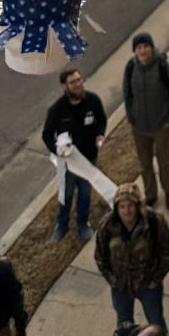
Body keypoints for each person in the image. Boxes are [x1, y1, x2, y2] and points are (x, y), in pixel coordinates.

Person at [95, 189, 169, 331]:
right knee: (124, 328)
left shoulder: (154, 221)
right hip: (121, 288)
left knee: (156, 324)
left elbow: (167, 251)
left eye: (130, 205)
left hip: (148, 287)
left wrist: (155, 279)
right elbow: (100, 256)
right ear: (117, 208)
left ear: (138, 206)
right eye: (122, 206)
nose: (127, 211)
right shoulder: (107, 226)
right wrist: (113, 280)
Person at [40, 66, 105, 241]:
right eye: (72, 82)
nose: (77, 84)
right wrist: (57, 151)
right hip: (68, 163)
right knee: (66, 194)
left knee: (85, 193)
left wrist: (100, 135)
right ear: (64, 86)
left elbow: (101, 121)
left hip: (88, 159)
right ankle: (62, 225)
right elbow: (46, 135)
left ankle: (83, 224)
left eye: (79, 80)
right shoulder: (57, 110)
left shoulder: (93, 101)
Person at [123, 32, 169, 212]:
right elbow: (127, 94)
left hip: (161, 126)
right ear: (135, 51)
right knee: (145, 164)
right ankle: (151, 195)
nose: (142, 50)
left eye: (145, 46)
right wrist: (131, 116)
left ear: (151, 47)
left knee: (164, 162)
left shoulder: (164, 67)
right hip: (139, 127)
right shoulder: (131, 68)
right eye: (138, 47)